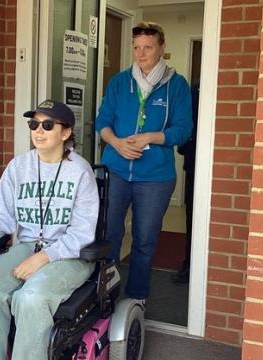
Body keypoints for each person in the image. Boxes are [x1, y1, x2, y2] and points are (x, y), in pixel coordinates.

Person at [0, 99, 99, 360]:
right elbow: (0, 218)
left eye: (47, 124)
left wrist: (43, 258)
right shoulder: (18, 167)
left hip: (70, 256)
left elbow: (82, 234)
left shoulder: (80, 172)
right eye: (34, 124)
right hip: (27, 248)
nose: (38, 131)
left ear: (65, 133)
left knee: (30, 297)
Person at [95, 21, 193, 303]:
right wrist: (116, 142)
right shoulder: (119, 82)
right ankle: (108, 294)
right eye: (136, 47)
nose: (141, 53)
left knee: (145, 240)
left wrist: (153, 135)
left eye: (148, 47)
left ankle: (137, 297)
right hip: (115, 170)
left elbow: (184, 129)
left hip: (155, 177)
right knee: (109, 235)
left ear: (162, 48)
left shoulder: (176, 85)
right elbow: (102, 121)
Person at [172, 82, 199, 284]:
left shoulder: (196, 90)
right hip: (194, 162)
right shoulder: (195, 90)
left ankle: (190, 266)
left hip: (196, 161)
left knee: (194, 217)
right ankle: (190, 266)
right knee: (193, 216)